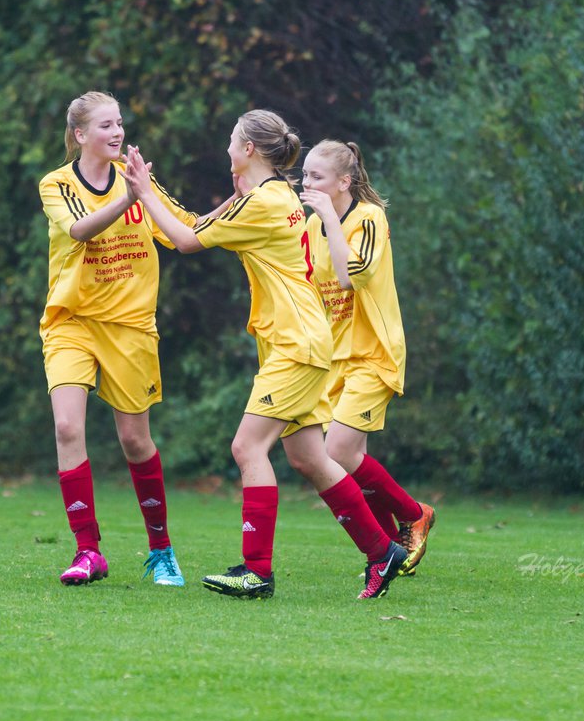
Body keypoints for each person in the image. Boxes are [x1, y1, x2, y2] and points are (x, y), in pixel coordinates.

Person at [123, 110, 408, 600]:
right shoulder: (268, 196)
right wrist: (147, 190)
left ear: (248, 149)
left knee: (247, 448)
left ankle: (257, 570)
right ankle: (382, 551)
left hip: (297, 344)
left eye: (232, 139)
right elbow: (191, 226)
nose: (227, 147)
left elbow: (187, 240)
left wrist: (144, 191)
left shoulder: (264, 203)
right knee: (309, 458)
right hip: (302, 340)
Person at [37, 90, 196, 587]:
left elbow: (189, 230)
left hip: (129, 329)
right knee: (67, 428)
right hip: (71, 323)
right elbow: (80, 230)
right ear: (80, 135)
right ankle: (88, 551)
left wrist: (247, 205)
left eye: (120, 123)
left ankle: (161, 549)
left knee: (134, 440)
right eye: (106, 125)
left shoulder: (141, 184)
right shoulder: (57, 184)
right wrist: (129, 197)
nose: (118, 133)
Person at [300, 139, 435, 576]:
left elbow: (349, 275)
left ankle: (414, 514)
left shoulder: (370, 218)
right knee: (347, 458)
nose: (307, 184)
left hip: (373, 353)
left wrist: (327, 221)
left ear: (345, 181)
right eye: (304, 176)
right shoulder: (310, 227)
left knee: (335, 452)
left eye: (316, 177)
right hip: (333, 358)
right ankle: (391, 547)